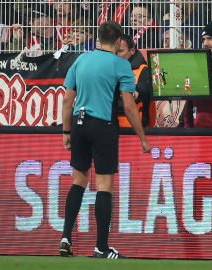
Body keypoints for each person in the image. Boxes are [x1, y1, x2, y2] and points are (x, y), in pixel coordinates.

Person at [60, 21, 151, 259]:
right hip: (103, 127)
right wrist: (142, 137)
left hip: (79, 125)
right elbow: (129, 106)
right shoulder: (121, 65)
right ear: (120, 40)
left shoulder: (80, 60)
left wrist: (66, 132)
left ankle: (66, 237)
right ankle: (101, 247)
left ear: (98, 38)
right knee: (104, 185)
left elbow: (67, 100)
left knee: (78, 181)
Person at [117, 34, 155, 128]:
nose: (116, 54)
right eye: (114, 51)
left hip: (134, 127)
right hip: (109, 125)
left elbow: (147, 87)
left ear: (132, 51)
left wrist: (134, 90)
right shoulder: (108, 67)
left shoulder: (144, 70)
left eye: (120, 51)